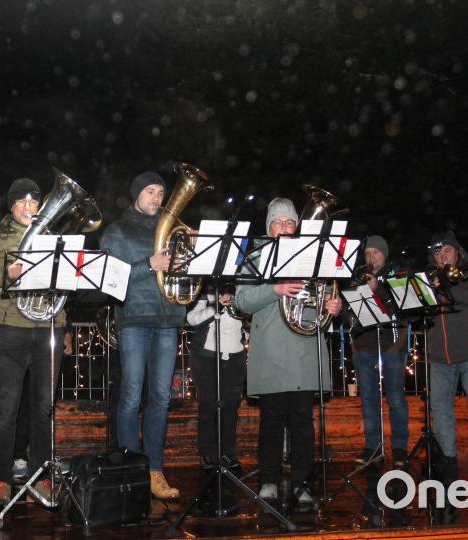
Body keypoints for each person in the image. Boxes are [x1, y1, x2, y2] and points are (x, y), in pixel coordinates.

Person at [234, 198, 342, 508]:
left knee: (302, 422)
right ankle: (268, 480)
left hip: (305, 348)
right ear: (268, 227)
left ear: (297, 227)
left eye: (289, 222)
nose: (284, 227)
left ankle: (301, 484)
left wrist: (333, 306)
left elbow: (325, 293)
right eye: (278, 222)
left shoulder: (314, 257)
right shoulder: (255, 257)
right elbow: (242, 301)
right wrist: (275, 289)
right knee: (271, 420)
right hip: (271, 349)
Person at [0, 178, 64, 508]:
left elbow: (67, 286)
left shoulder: (55, 238)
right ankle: (0, 479)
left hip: (49, 327)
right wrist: (5, 275)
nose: (28, 206)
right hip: (11, 329)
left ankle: (42, 476)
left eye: (34, 201)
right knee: (6, 410)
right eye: (21, 201)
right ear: (11, 205)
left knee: (43, 410)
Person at [99, 171, 186, 500]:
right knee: (132, 396)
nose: (157, 198)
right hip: (134, 319)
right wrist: (149, 264)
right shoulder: (118, 230)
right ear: (136, 193)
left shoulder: (175, 231)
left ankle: (154, 470)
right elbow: (108, 279)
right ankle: (129, 469)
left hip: (168, 319)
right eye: (150, 191)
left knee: (161, 400)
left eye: (161, 192)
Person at [426, 231, 468, 485]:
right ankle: (448, 456)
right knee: (441, 409)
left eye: (447, 251)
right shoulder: (430, 279)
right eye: (437, 253)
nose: (442, 256)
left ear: (457, 251)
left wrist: (448, 283)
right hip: (439, 356)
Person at [348, 235, 410, 467]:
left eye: (376, 252)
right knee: (369, 400)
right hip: (364, 347)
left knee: (395, 398)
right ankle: (372, 447)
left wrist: (378, 289)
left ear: (384, 255)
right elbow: (349, 310)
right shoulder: (357, 277)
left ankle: (400, 448)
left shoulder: (397, 274)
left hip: (391, 346)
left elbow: (404, 306)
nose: (371, 257)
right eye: (368, 253)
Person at [186, 283, 247, 470]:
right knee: (209, 407)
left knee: (231, 408)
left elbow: (248, 321)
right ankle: (207, 454)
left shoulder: (243, 290)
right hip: (207, 357)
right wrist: (216, 307)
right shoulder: (205, 289)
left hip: (236, 356)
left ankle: (228, 453)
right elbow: (192, 319)